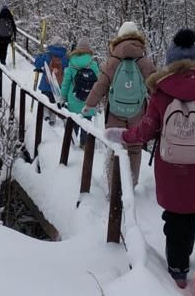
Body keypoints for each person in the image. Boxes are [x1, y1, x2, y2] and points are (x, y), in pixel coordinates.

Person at [107, 28, 195, 289]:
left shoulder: (161, 93)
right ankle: (182, 261)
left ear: (170, 61)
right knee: (190, 217)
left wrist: (123, 135)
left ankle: (176, 266)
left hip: (171, 167)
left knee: (174, 216)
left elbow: (146, 130)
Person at [84, 21, 157, 186]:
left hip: (115, 113)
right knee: (135, 148)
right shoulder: (145, 62)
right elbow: (156, 89)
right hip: (138, 114)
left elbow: (101, 84)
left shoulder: (113, 60)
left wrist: (90, 104)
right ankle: (131, 185)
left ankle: (114, 187)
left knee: (116, 149)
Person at [60, 41, 101, 146]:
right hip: (89, 101)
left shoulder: (71, 64)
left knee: (73, 123)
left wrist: (63, 97)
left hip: (73, 101)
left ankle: (71, 146)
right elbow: (99, 84)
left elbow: (66, 83)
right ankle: (84, 145)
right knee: (86, 125)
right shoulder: (94, 65)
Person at [32, 43, 69, 124]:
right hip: (58, 85)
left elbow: (37, 64)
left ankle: (45, 115)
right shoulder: (64, 58)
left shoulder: (47, 55)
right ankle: (53, 118)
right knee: (54, 101)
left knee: (45, 99)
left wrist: (39, 56)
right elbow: (68, 68)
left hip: (46, 83)